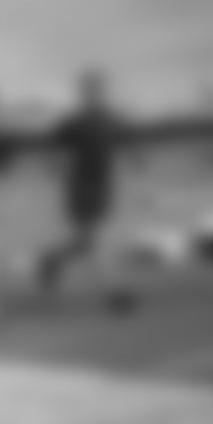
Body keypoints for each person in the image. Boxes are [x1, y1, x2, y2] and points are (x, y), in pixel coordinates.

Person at [33, 70, 134, 310]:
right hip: (80, 185)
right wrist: (53, 165)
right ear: (84, 93)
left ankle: (52, 260)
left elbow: (126, 141)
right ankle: (112, 294)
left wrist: (135, 158)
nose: (95, 94)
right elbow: (53, 146)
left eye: (98, 89)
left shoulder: (111, 119)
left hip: (103, 185)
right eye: (90, 90)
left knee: (84, 243)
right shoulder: (74, 123)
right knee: (95, 240)